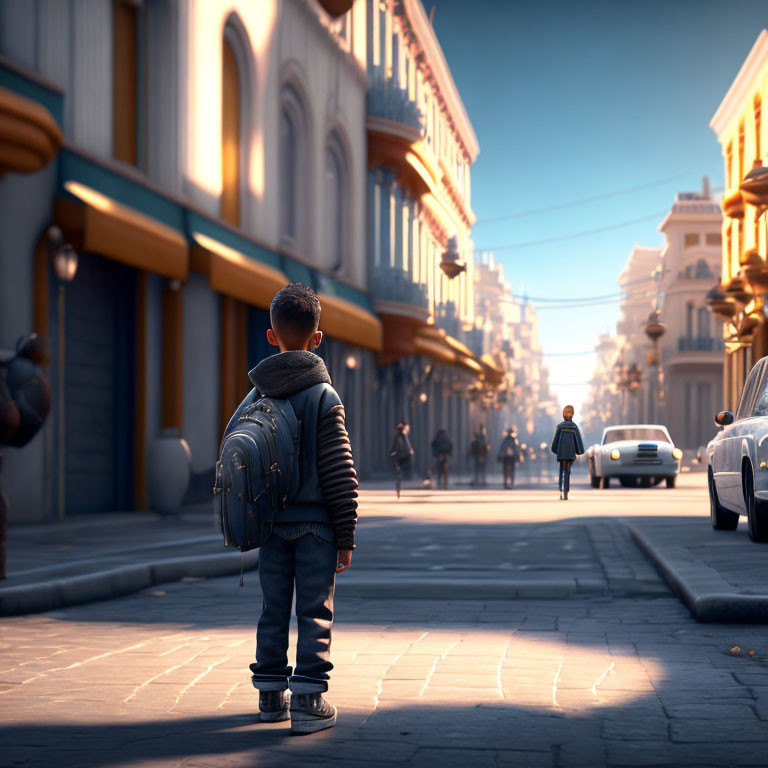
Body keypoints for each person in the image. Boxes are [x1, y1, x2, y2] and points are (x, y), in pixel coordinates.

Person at [232, 283, 358, 734]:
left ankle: (270, 696)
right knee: (314, 612)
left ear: (271, 336)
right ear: (317, 339)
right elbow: (339, 471)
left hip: (270, 527)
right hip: (317, 529)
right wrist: (346, 535)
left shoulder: (254, 398)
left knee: (273, 608)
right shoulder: (325, 398)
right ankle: (308, 702)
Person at [550, 404, 584, 500]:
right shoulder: (574, 427)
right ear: (572, 415)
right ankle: (566, 492)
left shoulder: (560, 426)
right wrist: (579, 451)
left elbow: (554, 441)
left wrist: (556, 450)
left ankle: (560, 490)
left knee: (561, 470)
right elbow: (578, 440)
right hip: (570, 453)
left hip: (561, 453)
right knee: (568, 472)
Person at [390, 422, 414, 498]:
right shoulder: (403, 437)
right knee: (399, 474)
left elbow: (392, 449)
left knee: (399, 474)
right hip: (402, 458)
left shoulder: (397, 437)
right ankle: (398, 487)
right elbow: (408, 447)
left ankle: (398, 487)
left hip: (398, 458)